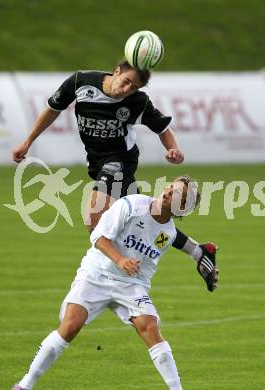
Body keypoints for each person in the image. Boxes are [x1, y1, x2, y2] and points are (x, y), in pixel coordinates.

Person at [12, 176, 218, 390]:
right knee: (70, 326)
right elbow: (99, 238)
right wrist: (120, 260)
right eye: (170, 187)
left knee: (150, 327)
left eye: (177, 194)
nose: (168, 192)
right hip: (96, 273)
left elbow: (145, 270)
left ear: (183, 208)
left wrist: (137, 287)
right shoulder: (131, 204)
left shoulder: (168, 234)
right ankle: (24, 385)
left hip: (129, 283)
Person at [12, 60, 214, 274]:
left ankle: (113, 269)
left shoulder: (137, 101)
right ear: (116, 71)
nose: (127, 90)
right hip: (96, 162)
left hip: (120, 160)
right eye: (126, 82)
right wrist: (28, 142)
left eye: (134, 87)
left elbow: (163, 127)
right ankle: (199, 251)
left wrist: (173, 149)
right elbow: (53, 109)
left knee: (94, 219)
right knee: (145, 214)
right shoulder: (81, 82)